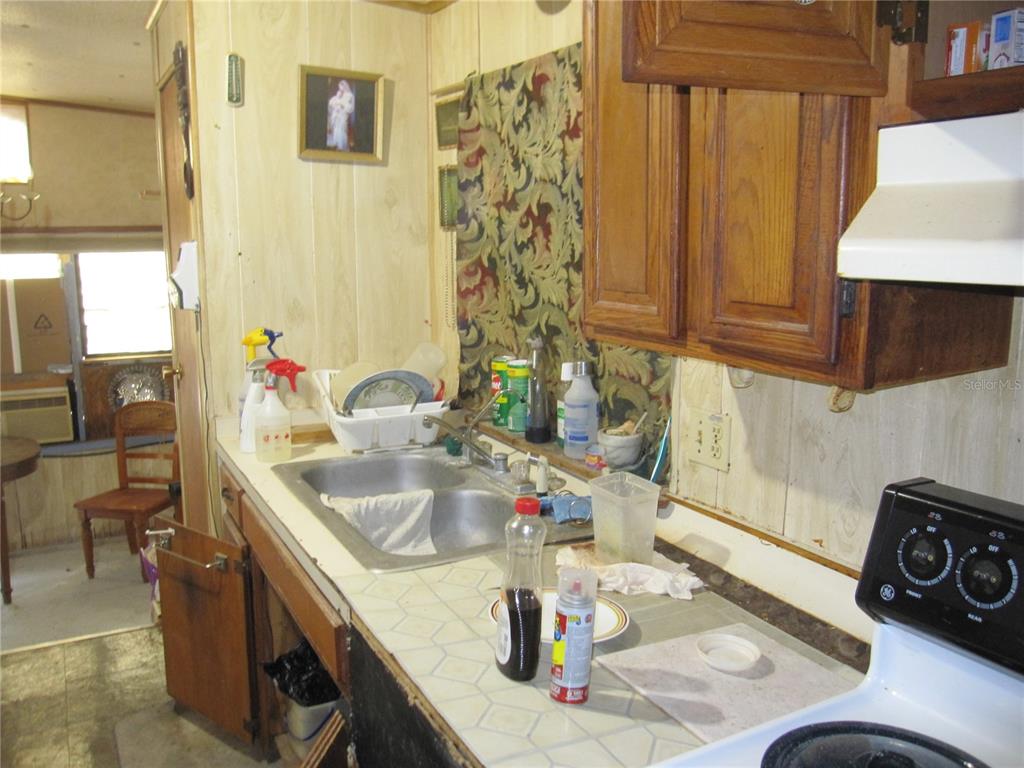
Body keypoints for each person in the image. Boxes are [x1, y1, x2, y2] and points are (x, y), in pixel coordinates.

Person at [326, 79, 355, 151]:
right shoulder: (340, 94)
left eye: (341, 87)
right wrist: (335, 104)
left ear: (345, 86)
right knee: (336, 130)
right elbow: (334, 101)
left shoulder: (350, 95)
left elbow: (351, 108)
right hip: (337, 115)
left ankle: (342, 146)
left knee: (342, 130)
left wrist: (342, 105)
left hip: (343, 115)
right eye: (339, 87)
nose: (340, 89)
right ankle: (337, 144)